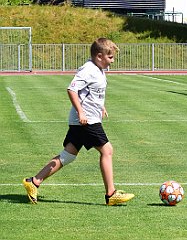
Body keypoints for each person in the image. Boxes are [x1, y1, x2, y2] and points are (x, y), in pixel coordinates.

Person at [23, 37, 134, 206]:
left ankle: (34, 181)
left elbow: (91, 92)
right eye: (110, 57)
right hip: (86, 120)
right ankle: (111, 194)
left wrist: (101, 106)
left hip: (86, 118)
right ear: (99, 56)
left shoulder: (99, 69)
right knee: (107, 151)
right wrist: (81, 112)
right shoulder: (88, 69)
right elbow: (72, 89)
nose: (112, 61)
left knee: (68, 156)